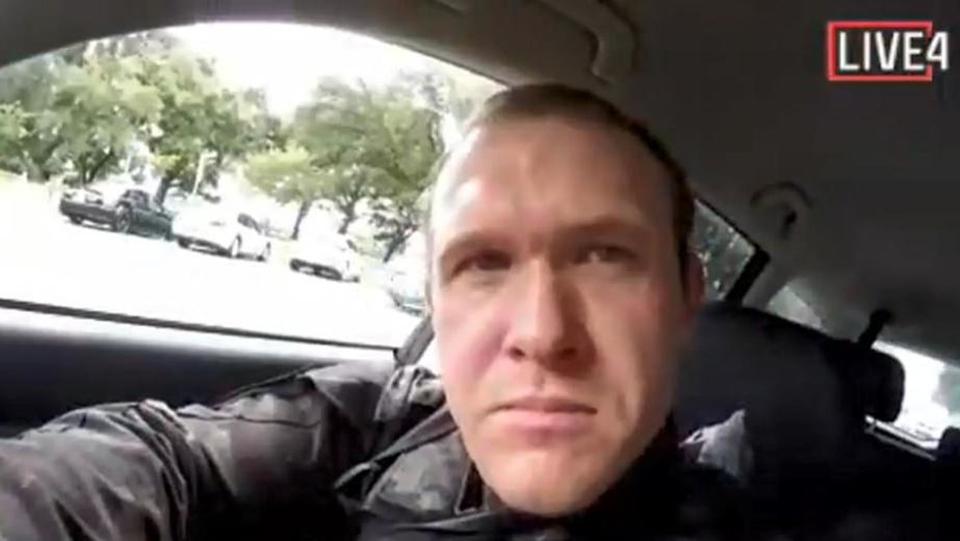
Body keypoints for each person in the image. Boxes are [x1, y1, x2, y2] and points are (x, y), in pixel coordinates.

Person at [0, 84, 745, 540]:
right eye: (483, 264)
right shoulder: (372, 428)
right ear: (435, 305)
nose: (542, 333)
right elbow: (162, 457)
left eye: (604, 256)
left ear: (687, 296)